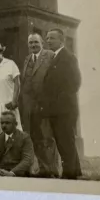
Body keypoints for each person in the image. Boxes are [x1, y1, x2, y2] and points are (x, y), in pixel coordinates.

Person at [41, 28, 82, 180]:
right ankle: (74, 170)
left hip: (64, 110)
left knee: (65, 141)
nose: (48, 41)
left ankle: (69, 173)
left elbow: (75, 82)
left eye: (51, 38)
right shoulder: (56, 57)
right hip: (57, 109)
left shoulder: (68, 57)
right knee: (64, 140)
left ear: (61, 41)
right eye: (47, 38)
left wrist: (59, 101)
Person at [20, 33, 59, 177]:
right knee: (34, 137)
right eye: (30, 43)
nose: (33, 45)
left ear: (42, 42)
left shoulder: (49, 55)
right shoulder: (27, 59)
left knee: (47, 138)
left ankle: (53, 170)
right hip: (30, 107)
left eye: (36, 42)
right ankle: (43, 169)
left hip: (44, 105)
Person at [0, 111, 34, 177]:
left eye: (7, 123)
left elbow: (27, 160)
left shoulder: (24, 138)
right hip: (0, 174)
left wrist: (12, 173)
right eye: (2, 123)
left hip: (19, 175)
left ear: (15, 124)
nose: (4, 125)